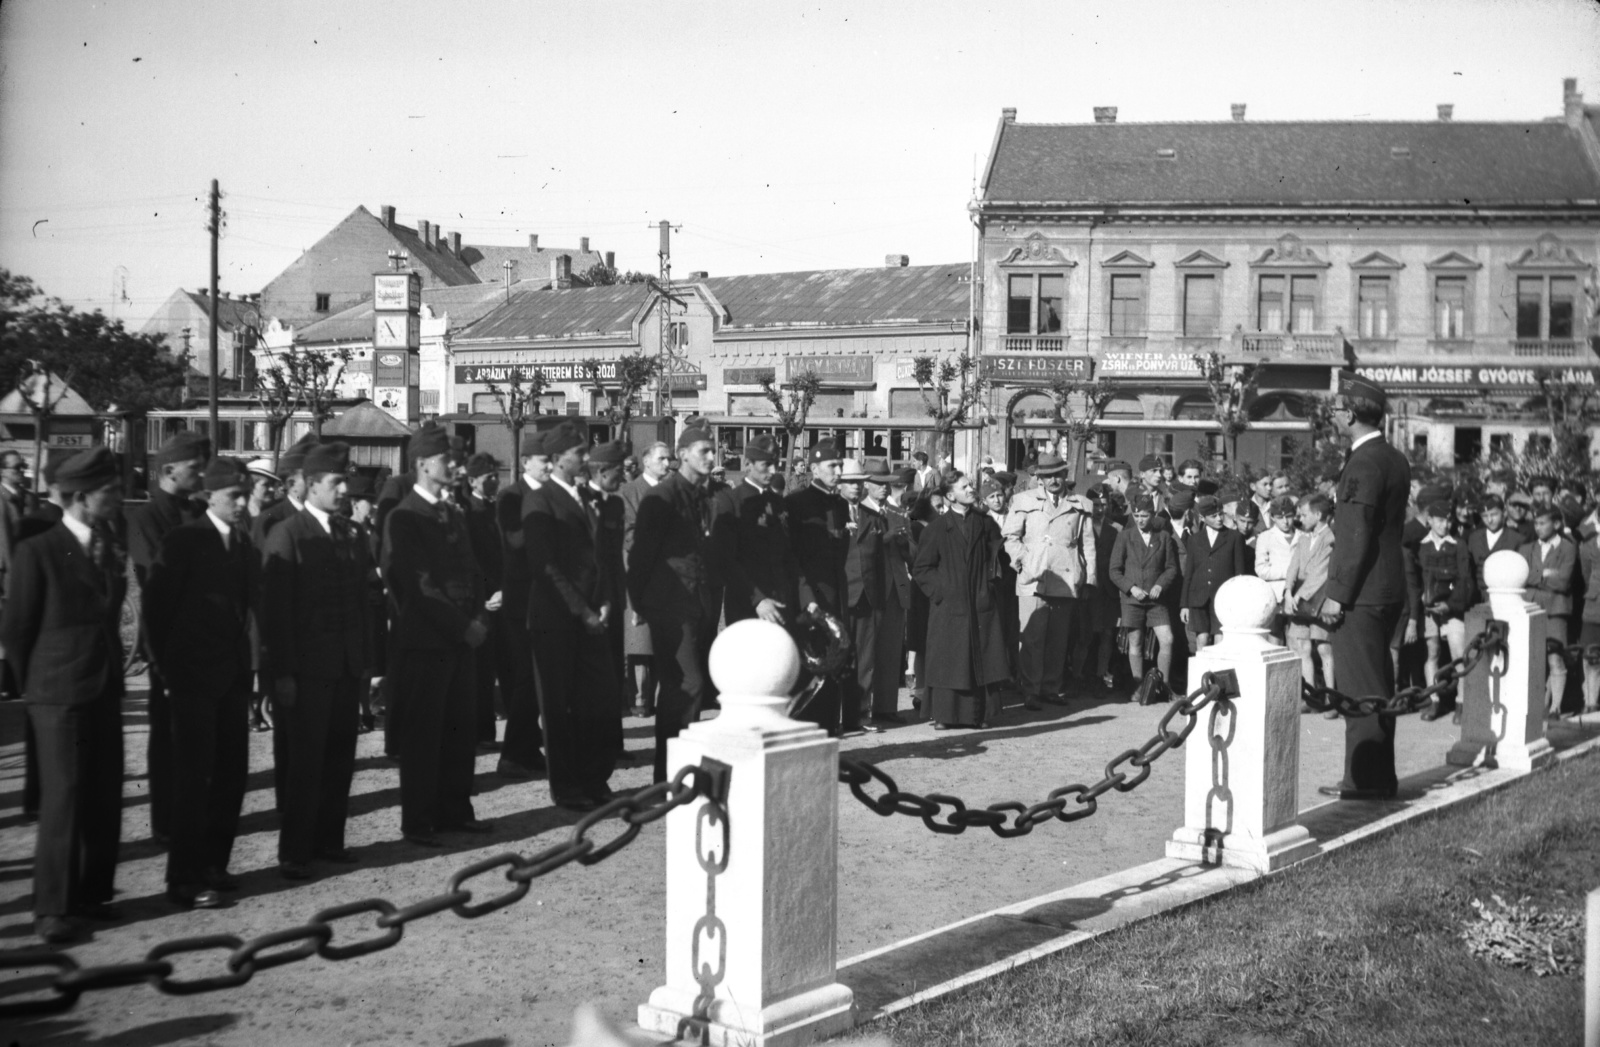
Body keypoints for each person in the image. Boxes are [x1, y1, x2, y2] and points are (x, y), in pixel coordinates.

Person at [0, 447, 126, 943]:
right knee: (64, 798)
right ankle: (52, 907)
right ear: (79, 497)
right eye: (108, 493)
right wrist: (40, 691)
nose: (116, 499)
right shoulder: (40, 549)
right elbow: (17, 630)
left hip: (102, 686)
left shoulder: (106, 543)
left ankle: (93, 895)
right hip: (58, 694)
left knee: (102, 794)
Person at [143, 456, 257, 907]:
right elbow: (156, 609)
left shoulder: (244, 545)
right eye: (234, 496)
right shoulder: (185, 540)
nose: (243, 503)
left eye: (246, 495)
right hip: (190, 678)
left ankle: (215, 864)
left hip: (231, 677)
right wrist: (164, 670)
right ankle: (184, 878)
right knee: (194, 780)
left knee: (232, 775)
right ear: (210, 496)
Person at [262, 442, 373, 875]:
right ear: (311, 486)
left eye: (346, 481)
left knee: (340, 759)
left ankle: (330, 841)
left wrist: (364, 660)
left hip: (344, 667)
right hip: (307, 671)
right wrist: (282, 674)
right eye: (336, 482)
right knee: (305, 764)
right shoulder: (288, 533)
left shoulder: (351, 532)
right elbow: (277, 613)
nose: (344, 489)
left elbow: (360, 606)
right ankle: (295, 851)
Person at [383, 426, 492, 846]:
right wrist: (464, 627)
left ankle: (455, 811)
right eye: (446, 460)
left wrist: (480, 616)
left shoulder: (453, 512)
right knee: (423, 736)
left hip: (462, 641)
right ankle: (419, 820)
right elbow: (418, 587)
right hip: (427, 642)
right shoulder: (404, 516)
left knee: (459, 730)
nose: (455, 466)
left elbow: (473, 573)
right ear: (423, 464)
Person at [1320, 372, 1411, 801]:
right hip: (1387, 588)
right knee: (1379, 686)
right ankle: (1379, 776)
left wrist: (1337, 594)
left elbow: (1355, 535)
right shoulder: (1393, 457)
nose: (1335, 416)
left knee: (1359, 691)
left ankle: (1364, 782)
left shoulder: (1362, 463)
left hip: (1362, 593)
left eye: (1338, 409)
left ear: (1352, 414)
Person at [525, 422, 621, 810]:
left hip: (590, 616)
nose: (586, 458)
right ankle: (566, 786)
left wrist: (605, 600)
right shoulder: (541, 500)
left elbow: (599, 558)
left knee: (596, 701)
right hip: (556, 619)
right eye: (578, 453)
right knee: (560, 707)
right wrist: (582, 611)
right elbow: (545, 566)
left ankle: (593, 778)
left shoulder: (584, 496)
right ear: (556, 459)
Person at [127, 430, 210, 844]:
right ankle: (164, 820)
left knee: (199, 735)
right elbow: (157, 575)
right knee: (167, 735)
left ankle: (193, 814)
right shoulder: (146, 517)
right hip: (169, 639)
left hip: (203, 639)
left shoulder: (197, 509)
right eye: (194, 468)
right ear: (168, 470)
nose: (201, 475)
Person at [628, 425, 719, 781]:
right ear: (682, 454)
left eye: (713, 451)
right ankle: (668, 775)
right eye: (703, 451)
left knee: (682, 688)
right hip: (668, 605)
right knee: (687, 685)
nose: (711, 457)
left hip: (696, 603)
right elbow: (640, 557)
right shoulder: (662, 497)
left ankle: (677, 772)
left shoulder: (700, 496)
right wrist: (639, 605)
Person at [912, 472, 1010, 729]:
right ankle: (944, 716)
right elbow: (922, 569)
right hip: (948, 608)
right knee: (949, 661)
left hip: (980, 604)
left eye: (970, 485)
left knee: (980, 659)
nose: (971, 489)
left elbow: (1000, 561)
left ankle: (978, 716)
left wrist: (989, 587)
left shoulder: (986, 524)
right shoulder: (935, 529)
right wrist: (941, 593)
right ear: (950, 496)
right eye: (964, 487)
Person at [1001, 452, 1095, 708]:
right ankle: (1030, 690)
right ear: (1040, 478)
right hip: (1034, 577)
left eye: (1058, 474)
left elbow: (1088, 544)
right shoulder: (1023, 500)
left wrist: (1088, 579)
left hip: (1066, 578)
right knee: (1032, 638)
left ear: (1066, 475)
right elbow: (1011, 536)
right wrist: (1022, 561)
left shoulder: (1081, 504)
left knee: (1058, 639)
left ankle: (1051, 688)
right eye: (1047, 475)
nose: (1053, 480)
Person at [492, 429, 549, 779]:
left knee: (537, 678)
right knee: (526, 678)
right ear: (526, 461)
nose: (549, 467)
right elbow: (515, 542)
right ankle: (512, 753)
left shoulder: (548, 494)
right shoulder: (511, 496)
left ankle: (527, 749)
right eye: (544, 461)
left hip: (544, 599)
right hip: (522, 600)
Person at [786, 439, 849, 733]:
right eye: (831, 466)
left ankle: (828, 725)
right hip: (809, 599)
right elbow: (794, 557)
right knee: (809, 662)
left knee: (833, 661)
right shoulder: (798, 503)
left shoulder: (839, 504)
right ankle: (805, 726)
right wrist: (806, 598)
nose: (838, 470)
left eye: (839, 465)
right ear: (813, 469)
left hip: (836, 594)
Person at [710, 434, 798, 628]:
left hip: (780, 602)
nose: (773, 471)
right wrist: (757, 599)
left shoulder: (778, 503)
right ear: (748, 464)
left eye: (775, 463)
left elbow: (787, 556)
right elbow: (727, 559)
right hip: (747, 606)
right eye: (766, 465)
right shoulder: (731, 501)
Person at [620, 441, 673, 717]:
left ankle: (664, 696)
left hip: (671, 574)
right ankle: (640, 698)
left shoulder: (674, 491)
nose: (668, 464)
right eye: (662, 459)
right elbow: (629, 532)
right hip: (642, 570)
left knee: (666, 635)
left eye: (669, 459)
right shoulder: (630, 491)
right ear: (647, 461)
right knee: (640, 639)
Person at [1109, 494, 1180, 695]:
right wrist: (1131, 588)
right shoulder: (1125, 536)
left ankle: (1165, 687)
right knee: (1136, 642)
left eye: (1145, 515)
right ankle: (1138, 687)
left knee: (1167, 639)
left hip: (1157, 601)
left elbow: (1171, 568)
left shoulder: (1164, 537)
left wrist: (1160, 585)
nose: (1141, 520)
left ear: (1153, 514)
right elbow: (1114, 570)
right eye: (1137, 515)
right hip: (1132, 600)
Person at [836, 459, 887, 735]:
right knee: (838, 658)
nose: (854, 487)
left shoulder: (873, 517)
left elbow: (879, 563)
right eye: (849, 482)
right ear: (838, 483)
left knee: (865, 660)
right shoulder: (830, 514)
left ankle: (860, 716)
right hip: (841, 596)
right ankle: (834, 717)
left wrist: (878, 598)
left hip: (867, 597)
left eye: (858, 482)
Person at [864, 459, 913, 726]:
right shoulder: (859, 512)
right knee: (866, 651)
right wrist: (886, 537)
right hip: (869, 589)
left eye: (887, 484)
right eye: (878, 484)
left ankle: (886, 707)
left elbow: (913, 554)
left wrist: (904, 542)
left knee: (891, 650)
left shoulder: (897, 513)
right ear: (865, 485)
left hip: (894, 589)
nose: (884, 488)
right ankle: (862, 710)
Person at [1413, 499, 1472, 721]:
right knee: (1433, 653)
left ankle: (1461, 704)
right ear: (1429, 521)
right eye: (1439, 521)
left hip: (1453, 608)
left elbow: (1464, 578)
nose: (1444, 525)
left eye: (1448, 521)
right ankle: (1434, 701)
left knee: (1459, 654)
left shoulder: (1458, 545)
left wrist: (1450, 604)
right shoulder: (1421, 545)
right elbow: (1417, 579)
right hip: (1429, 610)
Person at [461, 452, 504, 750]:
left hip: (502, 596)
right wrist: (483, 599)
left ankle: (487, 732)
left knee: (493, 666)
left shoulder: (499, 508)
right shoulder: (467, 511)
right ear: (473, 480)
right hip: (481, 600)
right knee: (478, 670)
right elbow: (471, 559)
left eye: (496, 475)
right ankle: (477, 731)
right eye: (488, 477)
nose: (495, 481)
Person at [1523, 506, 1577, 718]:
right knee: (1533, 658)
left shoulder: (1567, 548)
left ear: (1556, 524)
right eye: (1535, 523)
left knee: (1555, 658)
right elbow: (1523, 577)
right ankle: (1537, 706)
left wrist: (1535, 577)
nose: (1538, 528)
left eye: (1542, 523)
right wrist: (1546, 573)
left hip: (1556, 610)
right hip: (1531, 608)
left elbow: (1563, 582)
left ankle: (1555, 707)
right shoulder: (1526, 549)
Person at [1284, 493, 1336, 703]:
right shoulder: (1304, 538)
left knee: (1324, 648)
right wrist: (1288, 590)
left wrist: (1299, 594)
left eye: (1304, 515)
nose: (1300, 519)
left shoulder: (1330, 538)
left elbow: (1321, 572)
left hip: (1319, 600)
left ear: (1318, 514)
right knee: (1302, 646)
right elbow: (1293, 565)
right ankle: (1310, 696)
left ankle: (1331, 698)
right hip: (1298, 599)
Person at [1180, 495, 1250, 652]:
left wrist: (1237, 600)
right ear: (1202, 518)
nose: (1219, 519)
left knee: (1221, 639)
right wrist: (1184, 604)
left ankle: (1219, 675)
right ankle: (1202, 675)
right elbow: (1189, 573)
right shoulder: (1195, 540)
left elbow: (1239, 573)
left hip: (1224, 598)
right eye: (1213, 516)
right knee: (1202, 639)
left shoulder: (1234, 537)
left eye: (1221, 514)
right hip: (1198, 597)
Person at [1254, 497, 1300, 641]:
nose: (1285, 522)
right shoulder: (1265, 537)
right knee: (1275, 640)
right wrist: (1289, 572)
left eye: (1289, 517)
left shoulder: (1303, 535)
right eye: (1280, 518)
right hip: (1275, 596)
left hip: (1298, 594)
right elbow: (1261, 570)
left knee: (1297, 641)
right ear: (1272, 517)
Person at [1577, 519, 1600, 716]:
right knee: (1590, 654)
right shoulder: (1588, 546)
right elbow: (1586, 574)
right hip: (1594, 606)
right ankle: (1591, 702)